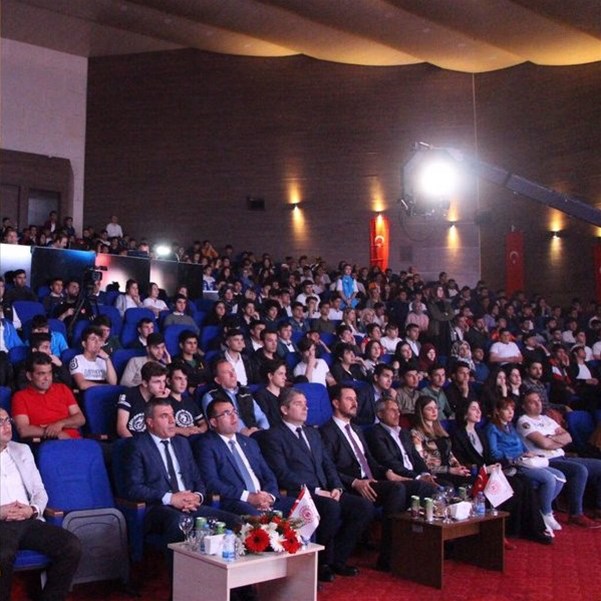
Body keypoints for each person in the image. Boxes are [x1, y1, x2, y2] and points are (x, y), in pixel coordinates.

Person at [259, 388, 373, 581]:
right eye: (298, 404)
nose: (305, 408)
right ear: (284, 409)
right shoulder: (273, 435)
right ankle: (321, 564)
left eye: (306, 404)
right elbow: (281, 473)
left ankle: (338, 559)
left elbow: (328, 464)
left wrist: (337, 487)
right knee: (331, 507)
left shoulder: (313, 433)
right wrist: (317, 490)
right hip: (300, 493)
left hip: (326, 490)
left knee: (363, 507)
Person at [123, 398, 239, 575]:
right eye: (164, 416)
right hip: (159, 508)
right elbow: (133, 488)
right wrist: (171, 499)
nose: (172, 421)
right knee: (179, 522)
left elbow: (199, 481)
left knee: (235, 522)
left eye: (172, 415)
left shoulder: (182, 443)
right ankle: (179, 582)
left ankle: (231, 583)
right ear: (150, 422)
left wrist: (197, 496)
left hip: (191, 505)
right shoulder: (137, 446)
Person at [319, 385, 408, 572]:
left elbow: (370, 461)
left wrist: (387, 472)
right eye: (349, 399)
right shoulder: (326, 432)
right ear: (336, 403)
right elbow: (328, 468)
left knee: (412, 487)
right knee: (394, 491)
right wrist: (354, 482)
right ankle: (381, 558)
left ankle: (392, 553)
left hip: (370, 481)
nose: (355, 403)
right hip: (348, 485)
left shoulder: (357, 429)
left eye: (356, 399)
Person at [0, 408, 82, 601]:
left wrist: (32, 509)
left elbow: (39, 491)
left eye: (7, 420)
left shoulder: (22, 450)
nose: (6, 426)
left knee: (71, 546)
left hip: (27, 520)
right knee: (3, 556)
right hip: (1, 524)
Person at [451, 400, 553, 544]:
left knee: (525, 482)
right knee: (515, 485)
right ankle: (504, 530)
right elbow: (461, 461)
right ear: (465, 413)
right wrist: (484, 469)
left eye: (479, 408)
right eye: (474, 409)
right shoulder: (458, 435)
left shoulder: (480, 432)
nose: (478, 412)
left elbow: (489, 457)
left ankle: (533, 529)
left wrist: (500, 464)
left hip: (490, 470)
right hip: (474, 474)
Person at [195, 398, 294, 516]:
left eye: (234, 411)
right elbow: (212, 482)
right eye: (226, 413)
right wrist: (248, 497)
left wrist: (269, 497)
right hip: (237, 501)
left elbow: (268, 475)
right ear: (213, 422)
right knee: (255, 516)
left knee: (301, 507)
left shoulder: (249, 442)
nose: (234, 417)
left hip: (264, 499)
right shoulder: (207, 444)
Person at [517, 390, 601, 527]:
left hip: (562, 456)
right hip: (546, 461)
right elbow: (544, 444)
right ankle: (576, 514)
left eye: (538, 400)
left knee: (599, 465)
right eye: (532, 402)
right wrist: (555, 439)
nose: (538, 404)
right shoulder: (524, 421)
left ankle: (598, 509)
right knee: (579, 470)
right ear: (524, 406)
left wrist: (551, 438)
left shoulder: (547, 419)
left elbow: (568, 437)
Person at [486, 398, 566, 535]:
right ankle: (546, 513)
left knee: (560, 477)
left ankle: (539, 510)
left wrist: (528, 453)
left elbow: (520, 444)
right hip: (513, 465)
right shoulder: (492, 428)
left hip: (525, 460)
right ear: (497, 411)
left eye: (512, 409)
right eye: (506, 409)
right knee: (549, 479)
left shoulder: (510, 426)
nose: (511, 412)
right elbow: (494, 453)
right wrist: (513, 457)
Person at [365, 399, 439, 498]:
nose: (397, 414)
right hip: (398, 477)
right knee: (426, 487)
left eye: (398, 410)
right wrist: (417, 477)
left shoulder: (403, 432)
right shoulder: (375, 434)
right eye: (392, 410)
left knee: (445, 484)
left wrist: (425, 474)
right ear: (380, 414)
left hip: (414, 474)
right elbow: (389, 461)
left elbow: (416, 456)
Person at [12, 352, 85, 439]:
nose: (47, 378)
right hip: (47, 442)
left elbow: (81, 418)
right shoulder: (20, 397)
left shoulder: (63, 389)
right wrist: (56, 434)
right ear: (29, 376)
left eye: (49, 373)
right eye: (41, 374)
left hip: (75, 440)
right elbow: (23, 430)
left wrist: (60, 424)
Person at [410, 396, 471, 484]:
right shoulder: (416, 434)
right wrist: (450, 470)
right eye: (429, 409)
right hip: (435, 473)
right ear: (421, 412)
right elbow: (422, 463)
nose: (434, 411)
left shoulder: (440, 430)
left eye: (435, 408)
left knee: (471, 477)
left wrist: (458, 466)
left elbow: (449, 454)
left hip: (449, 470)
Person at [201, 359, 269, 436]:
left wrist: (262, 430)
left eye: (233, 370)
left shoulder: (245, 391)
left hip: (257, 433)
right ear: (218, 380)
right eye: (226, 372)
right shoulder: (211, 396)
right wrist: (243, 430)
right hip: (233, 437)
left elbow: (260, 416)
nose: (232, 375)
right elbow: (219, 424)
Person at [70, 326, 118, 390]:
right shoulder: (77, 360)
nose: (97, 342)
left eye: (99, 340)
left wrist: (107, 359)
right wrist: (107, 386)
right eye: (93, 339)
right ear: (84, 344)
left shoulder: (104, 361)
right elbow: (82, 385)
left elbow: (113, 383)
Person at [166, 363, 206, 437]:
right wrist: (182, 430)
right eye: (179, 379)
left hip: (197, 437)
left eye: (185, 379)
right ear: (168, 381)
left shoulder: (189, 400)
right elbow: (162, 428)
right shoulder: (164, 403)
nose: (183, 383)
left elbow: (203, 423)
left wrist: (200, 430)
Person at [253, 359, 287, 427]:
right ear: (270, 376)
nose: (285, 377)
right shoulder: (261, 395)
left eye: (285, 374)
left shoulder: (287, 393)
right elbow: (266, 421)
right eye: (281, 374)